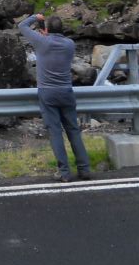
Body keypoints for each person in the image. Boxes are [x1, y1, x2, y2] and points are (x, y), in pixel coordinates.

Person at [18, 12, 91, 182]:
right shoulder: (70, 44)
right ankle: (84, 169)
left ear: (47, 29)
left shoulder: (41, 41)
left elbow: (21, 26)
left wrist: (36, 18)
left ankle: (64, 172)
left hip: (47, 93)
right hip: (66, 91)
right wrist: (47, 35)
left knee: (56, 133)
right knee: (73, 131)